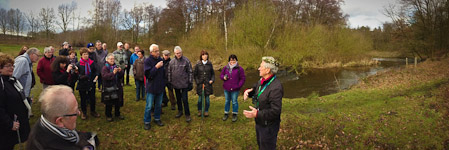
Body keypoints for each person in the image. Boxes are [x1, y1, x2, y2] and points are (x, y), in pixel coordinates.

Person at [26, 85, 99, 150]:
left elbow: (76, 135)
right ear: (60, 121)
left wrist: (87, 145)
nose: (79, 113)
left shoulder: (45, 123)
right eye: (75, 111)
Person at [243, 56, 283, 150]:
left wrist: (257, 113)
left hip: (269, 127)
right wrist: (249, 92)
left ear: (268, 70)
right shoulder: (262, 80)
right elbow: (256, 88)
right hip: (260, 122)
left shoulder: (276, 88)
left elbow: (275, 111)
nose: (258, 68)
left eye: (261, 66)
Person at [0, 53, 31, 150]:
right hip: (4, 128)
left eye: (12, 65)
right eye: (8, 66)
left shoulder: (10, 80)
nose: (12, 68)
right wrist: (9, 123)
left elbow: (13, 97)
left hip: (13, 123)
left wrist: (27, 101)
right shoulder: (1, 83)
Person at [167, 46, 193, 122]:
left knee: (185, 99)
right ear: (174, 53)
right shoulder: (171, 62)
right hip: (175, 84)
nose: (178, 54)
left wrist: (190, 82)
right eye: (176, 53)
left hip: (184, 84)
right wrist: (169, 82)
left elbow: (190, 72)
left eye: (179, 53)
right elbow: (169, 73)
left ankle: (187, 114)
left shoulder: (186, 61)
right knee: (178, 99)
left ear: (181, 52)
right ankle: (180, 111)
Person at [143, 44, 165, 130]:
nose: (158, 52)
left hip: (160, 86)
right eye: (156, 51)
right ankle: (147, 121)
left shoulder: (160, 59)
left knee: (158, 105)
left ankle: (157, 118)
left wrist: (164, 83)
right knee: (149, 106)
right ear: (151, 52)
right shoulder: (147, 61)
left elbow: (163, 73)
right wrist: (156, 67)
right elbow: (148, 75)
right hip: (151, 87)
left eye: (158, 51)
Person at [220, 54, 245, 122]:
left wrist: (238, 86)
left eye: (234, 60)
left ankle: (235, 114)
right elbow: (221, 75)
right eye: (231, 60)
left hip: (235, 89)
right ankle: (226, 113)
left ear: (236, 60)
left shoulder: (240, 69)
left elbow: (242, 79)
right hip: (226, 88)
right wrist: (223, 77)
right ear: (229, 61)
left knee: (234, 102)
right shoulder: (225, 68)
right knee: (227, 101)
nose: (232, 62)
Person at [76, 48, 100, 120]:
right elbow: (76, 75)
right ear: (81, 55)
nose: (86, 56)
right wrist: (81, 77)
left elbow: (97, 71)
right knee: (83, 99)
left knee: (92, 98)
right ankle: (84, 112)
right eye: (84, 54)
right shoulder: (78, 64)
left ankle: (93, 111)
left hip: (91, 83)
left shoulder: (92, 63)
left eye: (87, 54)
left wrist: (96, 76)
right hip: (82, 84)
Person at [101, 53, 125, 122]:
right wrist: (113, 73)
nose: (112, 60)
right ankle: (108, 115)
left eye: (113, 59)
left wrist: (120, 72)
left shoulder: (116, 66)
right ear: (107, 60)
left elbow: (121, 76)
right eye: (111, 59)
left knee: (118, 101)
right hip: (108, 87)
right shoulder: (105, 68)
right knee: (109, 102)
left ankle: (117, 113)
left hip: (117, 86)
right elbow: (105, 77)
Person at [193, 50, 214, 117]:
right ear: (201, 56)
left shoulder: (210, 64)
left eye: (205, 55)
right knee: (200, 100)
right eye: (203, 55)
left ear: (207, 56)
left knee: (207, 100)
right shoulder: (198, 64)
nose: (204, 56)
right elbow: (195, 74)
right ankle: (199, 110)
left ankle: (206, 111)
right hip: (200, 84)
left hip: (208, 84)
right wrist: (197, 81)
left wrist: (212, 80)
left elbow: (213, 74)